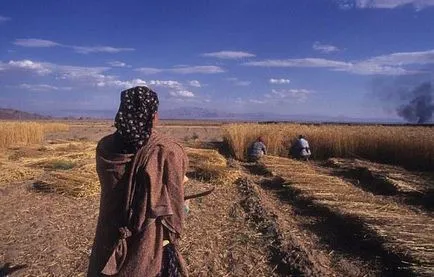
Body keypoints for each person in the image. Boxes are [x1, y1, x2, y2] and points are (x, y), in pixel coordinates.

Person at [87, 86, 189, 277]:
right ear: (153, 116)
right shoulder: (166, 151)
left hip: (109, 235)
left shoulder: (105, 147)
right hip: (149, 244)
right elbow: (176, 198)